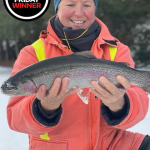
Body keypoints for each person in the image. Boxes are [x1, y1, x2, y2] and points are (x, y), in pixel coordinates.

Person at [7, 0, 150, 149]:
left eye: (87, 5)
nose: (79, 13)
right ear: (57, 8)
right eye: (70, 4)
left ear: (95, 9)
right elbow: (15, 119)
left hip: (113, 144)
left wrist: (119, 104)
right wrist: (45, 108)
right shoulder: (32, 53)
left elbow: (139, 106)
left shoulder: (117, 49)